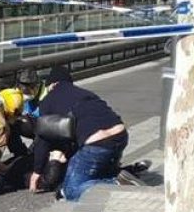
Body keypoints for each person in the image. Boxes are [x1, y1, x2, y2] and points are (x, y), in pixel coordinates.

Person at [28, 65, 127, 201]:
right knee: (91, 172)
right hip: (120, 136)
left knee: (70, 190)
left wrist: (37, 171)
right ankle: (117, 174)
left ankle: (116, 182)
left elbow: (44, 137)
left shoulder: (48, 100)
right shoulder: (86, 93)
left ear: (51, 85)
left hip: (96, 145)